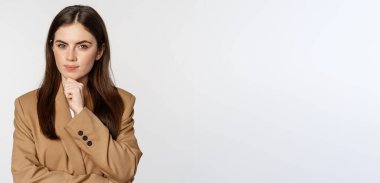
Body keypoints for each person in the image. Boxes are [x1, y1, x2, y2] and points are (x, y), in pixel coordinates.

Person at [11, 5, 142, 183]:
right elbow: (24, 177)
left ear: (100, 51)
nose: (70, 56)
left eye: (82, 46)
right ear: (52, 48)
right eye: (62, 45)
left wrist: (81, 114)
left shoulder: (122, 102)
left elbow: (125, 170)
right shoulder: (27, 106)